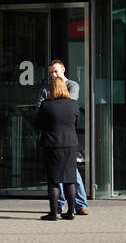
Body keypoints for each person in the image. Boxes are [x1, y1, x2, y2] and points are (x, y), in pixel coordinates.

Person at [36, 60, 89, 215]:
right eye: (51, 72)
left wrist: (50, 111)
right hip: (68, 140)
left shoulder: (72, 85)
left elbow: (44, 112)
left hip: (55, 139)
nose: (54, 75)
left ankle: (79, 205)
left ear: (63, 70)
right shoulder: (46, 89)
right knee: (68, 177)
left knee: (63, 176)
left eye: (56, 71)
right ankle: (62, 206)